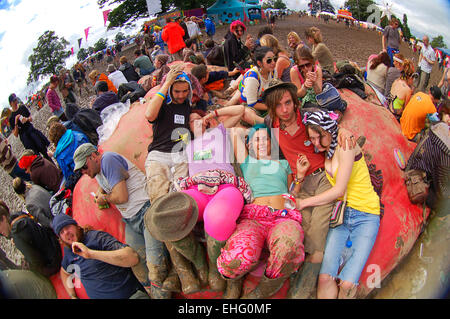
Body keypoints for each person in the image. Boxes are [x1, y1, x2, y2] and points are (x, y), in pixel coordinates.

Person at [259, 79, 355, 299]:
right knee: (299, 229)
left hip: (322, 178)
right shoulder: (271, 124)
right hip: (299, 184)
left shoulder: (308, 117)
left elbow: (335, 118)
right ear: (272, 109)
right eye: (279, 106)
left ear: (295, 102)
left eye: (288, 103)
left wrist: (344, 131)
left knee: (317, 234)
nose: (285, 110)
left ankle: (302, 292)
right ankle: (294, 278)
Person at [214, 123, 306, 299]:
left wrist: (299, 177)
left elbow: (291, 193)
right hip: (253, 218)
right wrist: (256, 129)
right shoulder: (247, 161)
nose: (262, 143)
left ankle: (261, 292)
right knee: (235, 259)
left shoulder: (284, 163)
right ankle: (234, 281)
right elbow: (234, 131)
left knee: (289, 251)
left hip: (283, 217)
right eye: (258, 140)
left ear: (272, 143)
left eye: (266, 139)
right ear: (249, 144)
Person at [298, 110, 380, 299]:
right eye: (312, 139)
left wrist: (303, 203)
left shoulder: (345, 144)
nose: (317, 144)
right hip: (341, 217)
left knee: (347, 284)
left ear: (329, 131)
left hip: (365, 214)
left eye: (321, 138)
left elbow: (339, 190)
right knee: (325, 278)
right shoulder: (327, 150)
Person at [73, 143, 170, 298]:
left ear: (93, 156)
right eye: (81, 170)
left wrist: (104, 198)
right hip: (131, 220)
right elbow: (105, 186)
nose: (84, 172)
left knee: (156, 271)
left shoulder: (108, 160)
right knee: (139, 269)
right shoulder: (98, 172)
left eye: (84, 167)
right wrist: (100, 193)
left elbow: (121, 197)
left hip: (146, 211)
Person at [51, 213, 148, 299]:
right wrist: (72, 295)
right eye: (61, 232)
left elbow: (132, 257)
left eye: (67, 227)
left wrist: (91, 254)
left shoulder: (96, 238)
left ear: (76, 226)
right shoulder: (69, 252)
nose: (66, 232)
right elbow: (64, 273)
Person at [144, 64, 191, 203]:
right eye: (177, 91)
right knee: (159, 198)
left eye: (185, 91)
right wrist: (167, 83)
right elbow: (149, 115)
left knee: (181, 199)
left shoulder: (187, 105)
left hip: (179, 155)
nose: (181, 95)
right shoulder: (162, 102)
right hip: (158, 154)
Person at [0, 200, 61, 278]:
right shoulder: (18, 215)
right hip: (54, 244)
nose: (1, 232)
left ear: (4, 218)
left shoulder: (17, 235)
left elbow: (37, 263)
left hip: (53, 263)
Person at [226, 46, 277, 112]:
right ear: (259, 63)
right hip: (248, 104)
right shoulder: (253, 78)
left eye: (275, 59)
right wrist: (273, 107)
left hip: (263, 100)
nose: (273, 62)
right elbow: (251, 104)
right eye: (269, 60)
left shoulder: (273, 71)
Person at [8, 93, 51, 161]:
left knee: (43, 149)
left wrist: (26, 119)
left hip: (31, 130)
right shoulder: (11, 118)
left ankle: (53, 167)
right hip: (24, 137)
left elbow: (31, 118)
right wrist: (16, 121)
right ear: (11, 103)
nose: (16, 102)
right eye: (14, 101)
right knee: (36, 156)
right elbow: (15, 134)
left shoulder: (22, 107)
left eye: (16, 99)